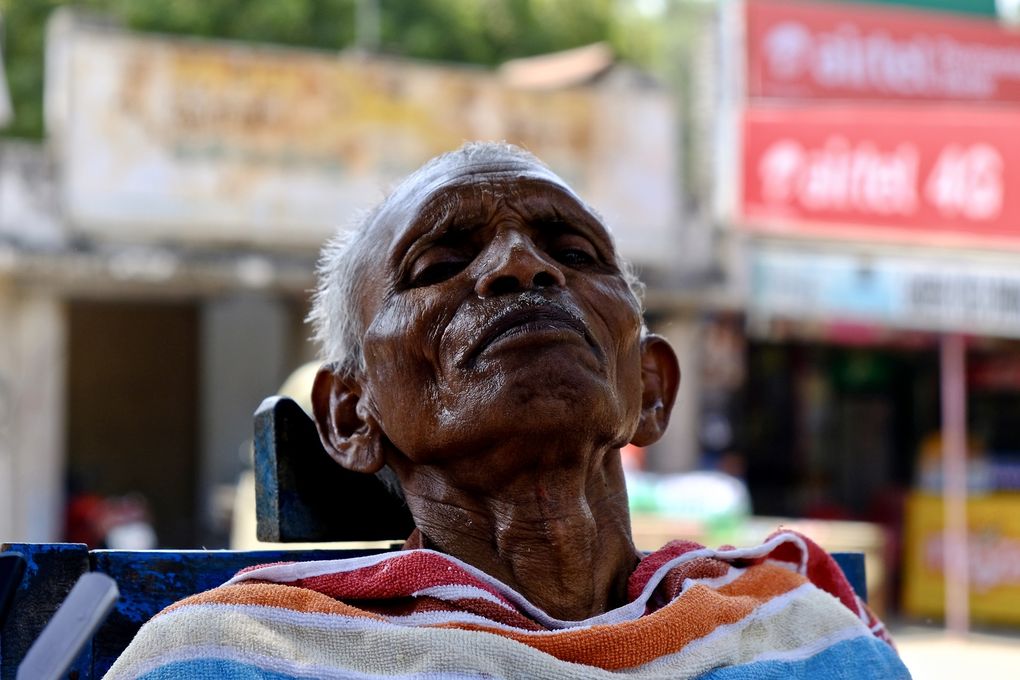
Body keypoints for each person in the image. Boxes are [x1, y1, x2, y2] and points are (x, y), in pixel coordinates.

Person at [107, 143, 910, 678]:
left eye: (573, 253)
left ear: (653, 390)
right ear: (351, 415)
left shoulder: (802, 637)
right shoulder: (230, 659)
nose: (521, 265)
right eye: (440, 262)